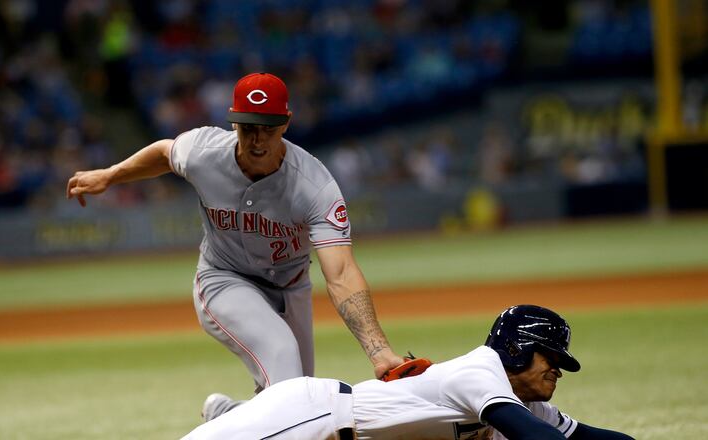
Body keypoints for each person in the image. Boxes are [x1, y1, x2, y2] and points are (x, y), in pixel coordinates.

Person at [66, 72, 405, 420]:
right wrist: (110, 175)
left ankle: (229, 416)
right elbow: (164, 153)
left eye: (268, 128)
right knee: (283, 360)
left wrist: (379, 352)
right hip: (223, 279)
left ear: (286, 123)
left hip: (291, 288)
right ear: (233, 123)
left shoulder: (314, 186)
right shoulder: (204, 152)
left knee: (299, 396)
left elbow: (342, 272)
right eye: (247, 128)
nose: (257, 140)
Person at [181, 305, 635, 440]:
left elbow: (591, 438)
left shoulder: (524, 403)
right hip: (315, 417)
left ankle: (236, 414)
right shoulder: (481, 372)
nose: (557, 370)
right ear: (515, 351)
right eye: (549, 357)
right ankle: (238, 418)